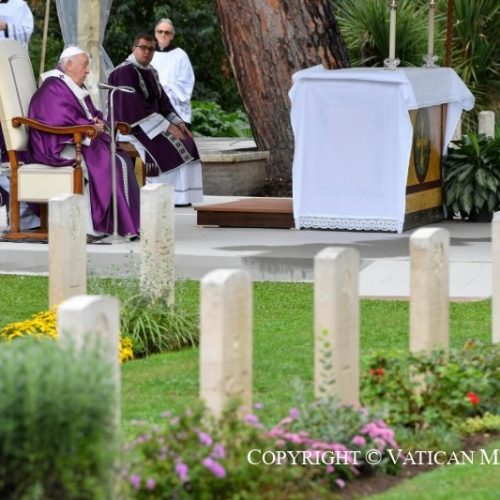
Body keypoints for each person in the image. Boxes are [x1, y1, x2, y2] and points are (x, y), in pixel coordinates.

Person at [27, 46, 140, 238]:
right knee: (107, 161)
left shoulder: (73, 85)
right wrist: (90, 126)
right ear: (69, 65)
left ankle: (124, 224)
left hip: (75, 139)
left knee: (118, 158)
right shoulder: (53, 87)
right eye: (85, 65)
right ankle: (98, 225)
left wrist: (97, 123)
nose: (88, 71)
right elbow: (58, 118)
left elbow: (90, 112)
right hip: (54, 145)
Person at [108, 33, 203, 206]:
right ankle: (162, 194)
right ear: (134, 49)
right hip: (131, 127)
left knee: (186, 140)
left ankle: (182, 197)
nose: (147, 52)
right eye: (143, 48)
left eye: (151, 49)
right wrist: (166, 126)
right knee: (170, 145)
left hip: (151, 124)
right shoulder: (123, 72)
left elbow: (162, 101)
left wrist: (178, 123)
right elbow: (133, 107)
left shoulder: (151, 71)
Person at [0, 0, 34, 224]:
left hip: (8, 78)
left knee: (9, 141)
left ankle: (18, 208)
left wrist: (5, 26)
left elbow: (26, 32)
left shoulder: (19, 5)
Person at [150, 18, 195, 127]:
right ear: (155, 34)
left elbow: (187, 82)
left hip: (174, 104)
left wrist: (166, 89)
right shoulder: (148, 53)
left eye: (167, 32)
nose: (163, 35)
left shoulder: (180, 55)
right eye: (160, 31)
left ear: (172, 36)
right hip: (152, 103)